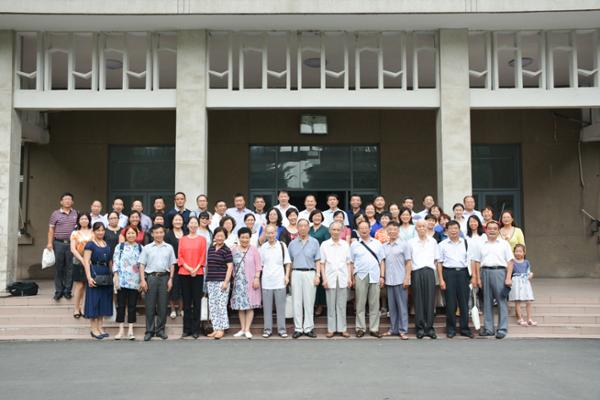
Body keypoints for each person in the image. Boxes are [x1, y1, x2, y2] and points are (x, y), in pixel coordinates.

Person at [472, 220, 515, 339]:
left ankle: (502, 328)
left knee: (501, 300)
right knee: (486, 301)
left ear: (498, 230)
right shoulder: (481, 244)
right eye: (489, 228)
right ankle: (489, 328)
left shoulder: (504, 244)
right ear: (486, 230)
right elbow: (477, 261)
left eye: (495, 229)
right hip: (484, 272)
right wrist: (478, 278)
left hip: (499, 272)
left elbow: (510, 261)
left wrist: (508, 277)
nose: (492, 231)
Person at [437, 220, 476, 339]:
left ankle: (465, 329)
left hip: (463, 274)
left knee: (464, 303)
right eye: (451, 228)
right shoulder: (442, 244)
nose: (453, 231)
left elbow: (472, 261)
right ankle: (451, 329)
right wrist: (441, 279)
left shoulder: (466, 243)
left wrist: (473, 276)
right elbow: (439, 263)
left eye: (455, 228)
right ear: (447, 231)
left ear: (459, 230)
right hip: (448, 274)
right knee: (450, 303)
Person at [139, 224, 177, 341]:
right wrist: (142, 280)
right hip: (151, 278)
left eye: (161, 232)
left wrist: (171, 279)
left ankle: (160, 330)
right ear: (152, 234)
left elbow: (172, 264)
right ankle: (149, 331)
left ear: (164, 233)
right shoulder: (147, 248)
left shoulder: (169, 247)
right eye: (156, 233)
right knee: (150, 306)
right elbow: (142, 264)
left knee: (162, 306)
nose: (159, 235)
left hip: (164, 277)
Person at [349, 220, 385, 338]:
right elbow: (351, 262)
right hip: (360, 275)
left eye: (366, 228)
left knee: (374, 304)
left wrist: (382, 276)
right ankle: (360, 328)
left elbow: (382, 261)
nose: (364, 230)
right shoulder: (354, 244)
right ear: (358, 230)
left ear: (370, 229)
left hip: (375, 275)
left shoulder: (377, 243)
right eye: (361, 228)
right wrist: (352, 277)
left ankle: (374, 329)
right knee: (360, 303)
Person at [405, 220, 440, 339]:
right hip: (416, 272)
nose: (422, 228)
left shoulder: (433, 241)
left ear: (427, 227)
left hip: (429, 272)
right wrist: (408, 276)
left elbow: (436, 260)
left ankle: (429, 328)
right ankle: (420, 328)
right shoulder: (410, 242)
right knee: (418, 300)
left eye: (423, 226)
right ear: (416, 229)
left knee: (430, 300)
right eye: (419, 226)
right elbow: (409, 260)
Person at [287, 219, 321, 338]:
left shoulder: (314, 242)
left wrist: (318, 275)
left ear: (308, 228)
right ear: (297, 228)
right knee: (296, 301)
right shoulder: (292, 244)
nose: (302, 228)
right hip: (296, 273)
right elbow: (290, 262)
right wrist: (289, 276)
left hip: (310, 273)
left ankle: (308, 328)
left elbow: (318, 260)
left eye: (305, 226)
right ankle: (298, 328)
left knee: (309, 301)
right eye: (300, 226)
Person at [320, 221, 352, 338]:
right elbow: (322, 263)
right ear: (330, 231)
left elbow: (348, 263)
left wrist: (349, 277)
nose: (336, 232)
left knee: (342, 305)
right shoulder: (325, 245)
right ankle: (331, 329)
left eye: (338, 230)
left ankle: (343, 328)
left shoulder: (345, 245)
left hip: (343, 277)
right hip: (330, 277)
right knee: (331, 305)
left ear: (342, 231)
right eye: (334, 229)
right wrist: (324, 279)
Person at [177, 216, 207, 339]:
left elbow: (203, 255)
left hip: (198, 273)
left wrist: (195, 268)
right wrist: (189, 268)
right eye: (191, 223)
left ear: (198, 225)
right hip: (184, 273)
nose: (193, 225)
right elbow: (180, 256)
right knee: (187, 302)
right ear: (188, 225)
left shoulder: (202, 239)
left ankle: (196, 329)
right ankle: (187, 329)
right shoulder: (182, 239)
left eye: (195, 223)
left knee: (197, 302)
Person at [83, 222, 113, 339]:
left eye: (102, 230)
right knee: (94, 302)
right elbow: (86, 261)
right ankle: (93, 329)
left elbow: (110, 261)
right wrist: (89, 277)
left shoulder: (107, 244)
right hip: (95, 273)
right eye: (98, 230)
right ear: (94, 231)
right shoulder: (90, 244)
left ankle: (100, 327)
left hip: (106, 274)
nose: (100, 232)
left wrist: (112, 275)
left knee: (103, 302)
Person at [259, 225, 291, 338]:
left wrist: (287, 276)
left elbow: (287, 263)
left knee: (280, 307)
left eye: (272, 233)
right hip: (266, 281)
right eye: (268, 233)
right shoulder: (263, 247)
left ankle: (282, 329)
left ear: (276, 233)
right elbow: (260, 265)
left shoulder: (282, 246)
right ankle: (267, 329)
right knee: (267, 308)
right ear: (266, 234)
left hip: (280, 280)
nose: (270, 235)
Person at [112, 225, 143, 340]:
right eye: (128, 233)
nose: (131, 235)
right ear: (125, 235)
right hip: (122, 280)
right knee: (121, 305)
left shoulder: (140, 248)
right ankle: (120, 330)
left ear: (136, 234)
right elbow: (115, 262)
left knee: (132, 305)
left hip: (135, 281)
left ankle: (130, 329)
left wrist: (142, 280)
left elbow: (142, 265)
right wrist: (116, 277)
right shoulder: (120, 247)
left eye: (133, 233)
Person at [230, 227, 262, 339]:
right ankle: (242, 329)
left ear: (250, 238)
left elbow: (258, 266)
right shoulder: (233, 250)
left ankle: (247, 329)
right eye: (242, 237)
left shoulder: (254, 250)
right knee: (240, 306)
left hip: (251, 281)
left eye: (247, 237)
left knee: (249, 306)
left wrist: (257, 278)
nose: (244, 239)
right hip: (238, 282)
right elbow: (231, 266)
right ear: (239, 238)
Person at [47, 192, 78, 301]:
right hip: (58, 243)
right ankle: (58, 291)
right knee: (58, 268)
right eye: (65, 199)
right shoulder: (55, 214)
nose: (67, 201)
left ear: (72, 202)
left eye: (69, 199)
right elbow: (51, 229)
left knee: (70, 268)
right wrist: (49, 243)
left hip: (72, 244)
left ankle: (67, 291)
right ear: (61, 202)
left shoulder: (76, 213)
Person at [205, 227, 234, 340]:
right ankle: (216, 328)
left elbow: (230, 267)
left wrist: (226, 282)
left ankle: (222, 329)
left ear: (225, 237)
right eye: (218, 235)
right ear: (214, 236)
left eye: (222, 236)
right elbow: (208, 265)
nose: (220, 238)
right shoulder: (211, 248)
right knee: (213, 305)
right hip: (211, 280)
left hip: (222, 281)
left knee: (221, 305)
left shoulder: (226, 250)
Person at [382, 222, 410, 340]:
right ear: (387, 231)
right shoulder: (384, 246)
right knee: (392, 307)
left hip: (401, 280)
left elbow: (408, 262)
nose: (392, 231)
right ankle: (393, 329)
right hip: (389, 280)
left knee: (402, 306)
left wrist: (407, 278)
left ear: (398, 231)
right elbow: (383, 262)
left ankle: (403, 330)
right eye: (390, 229)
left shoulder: (404, 245)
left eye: (394, 229)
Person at [70, 212, 93, 319]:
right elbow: (73, 249)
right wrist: (82, 259)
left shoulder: (93, 232)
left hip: (91, 261)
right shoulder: (75, 233)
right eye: (82, 219)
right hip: (78, 261)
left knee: (88, 285)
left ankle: (83, 307)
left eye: (86, 219)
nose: (84, 221)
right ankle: (76, 308)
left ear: (89, 220)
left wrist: (88, 260)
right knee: (79, 285)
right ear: (78, 221)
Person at [509, 244, 537, 327]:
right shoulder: (512, 262)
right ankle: (520, 318)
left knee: (528, 301)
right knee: (518, 301)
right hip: (516, 282)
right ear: (513, 252)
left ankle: (529, 319)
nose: (518, 253)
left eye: (520, 251)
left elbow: (528, 271)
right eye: (516, 251)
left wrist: (530, 274)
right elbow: (509, 272)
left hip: (525, 282)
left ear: (524, 253)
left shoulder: (526, 262)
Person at [309, 209, 330, 317]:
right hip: (309, 259)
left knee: (320, 281)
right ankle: (311, 304)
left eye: (319, 216)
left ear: (322, 218)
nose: (317, 218)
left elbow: (327, 244)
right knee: (311, 282)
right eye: (315, 216)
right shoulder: (308, 229)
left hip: (321, 258)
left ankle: (320, 305)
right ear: (311, 218)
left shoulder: (325, 230)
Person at [165, 213, 185, 319]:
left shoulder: (186, 233)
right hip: (172, 265)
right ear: (172, 222)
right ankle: (172, 309)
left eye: (180, 220)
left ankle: (181, 309)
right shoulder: (168, 234)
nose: (178, 222)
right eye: (176, 220)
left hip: (185, 265)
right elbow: (166, 250)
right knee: (172, 287)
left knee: (183, 287)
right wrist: (173, 260)